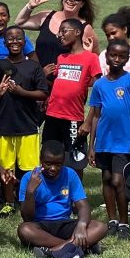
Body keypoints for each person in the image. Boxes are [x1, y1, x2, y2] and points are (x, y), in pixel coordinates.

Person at [87, 40, 130, 241]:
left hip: (123, 141)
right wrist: (91, 146)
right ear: (107, 56)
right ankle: (111, 220)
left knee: (119, 181)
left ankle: (124, 223)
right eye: (113, 55)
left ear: (127, 59)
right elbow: (95, 115)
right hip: (104, 141)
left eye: (121, 56)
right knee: (106, 179)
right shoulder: (100, 84)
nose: (117, 59)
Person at [0, 26, 49, 218]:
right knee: (6, 168)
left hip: (27, 127)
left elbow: (43, 93)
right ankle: (8, 202)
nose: (14, 42)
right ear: (4, 42)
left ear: (25, 42)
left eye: (19, 38)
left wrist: (21, 92)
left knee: (29, 168)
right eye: (10, 39)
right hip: (3, 126)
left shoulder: (33, 66)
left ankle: (27, 199)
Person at [17, 140, 108, 258]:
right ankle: (80, 246)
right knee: (24, 230)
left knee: (100, 227)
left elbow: (83, 206)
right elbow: (27, 217)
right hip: (41, 226)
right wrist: (30, 192)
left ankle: (53, 251)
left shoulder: (70, 174)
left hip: (64, 223)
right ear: (40, 160)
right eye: (48, 163)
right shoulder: (29, 178)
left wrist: (81, 225)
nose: (53, 168)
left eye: (58, 164)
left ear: (63, 161)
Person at [42, 19, 102, 178]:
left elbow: (99, 90)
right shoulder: (61, 57)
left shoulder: (91, 58)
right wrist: (44, 76)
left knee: (75, 159)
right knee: (49, 154)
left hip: (73, 118)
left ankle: (75, 196)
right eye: (59, 32)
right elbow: (59, 83)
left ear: (77, 32)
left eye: (63, 31)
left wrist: (88, 122)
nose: (59, 35)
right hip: (52, 115)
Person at [0, 2, 37, 159]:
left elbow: (33, 60)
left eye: (3, 15)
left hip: (16, 92)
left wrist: (40, 73)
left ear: (9, 17)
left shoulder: (16, 37)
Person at [14, 0, 99, 79]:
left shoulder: (85, 28)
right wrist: (29, 6)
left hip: (63, 83)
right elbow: (19, 22)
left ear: (82, 4)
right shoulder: (47, 16)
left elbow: (95, 59)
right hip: (38, 80)